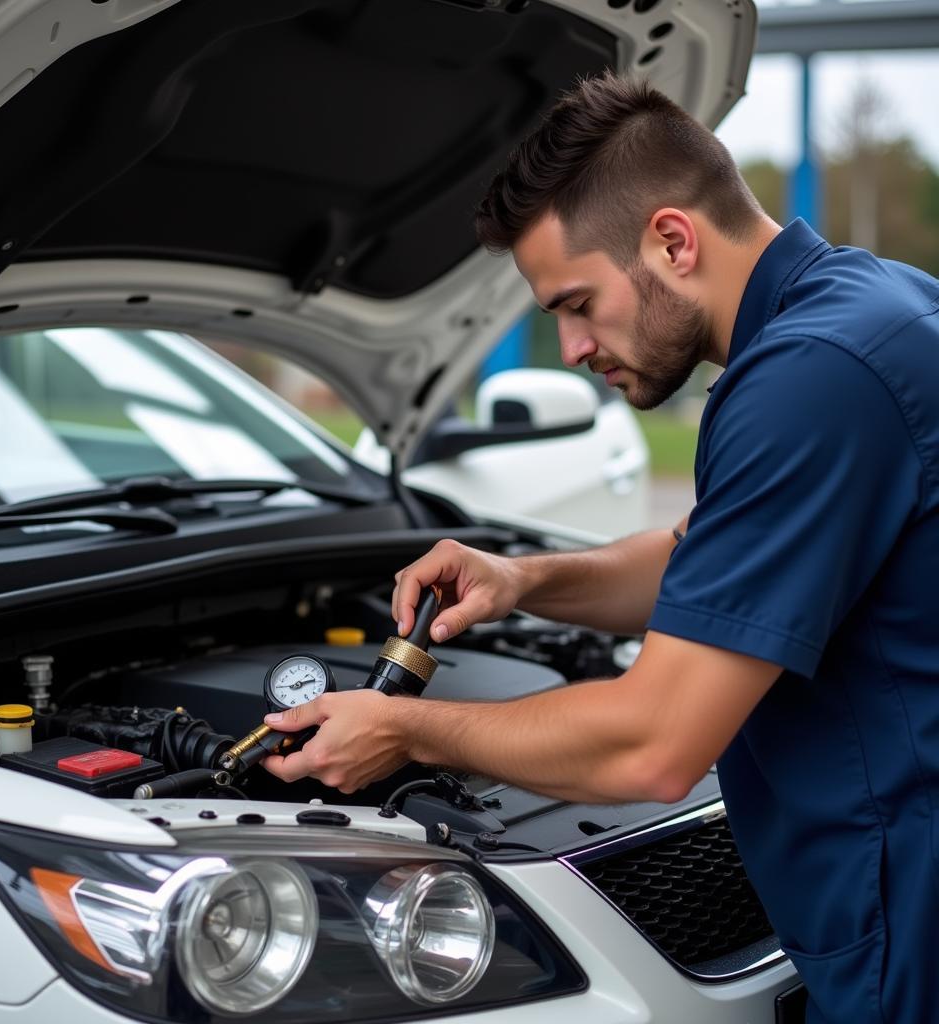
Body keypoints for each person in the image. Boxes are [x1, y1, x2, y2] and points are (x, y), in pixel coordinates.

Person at [262, 74, 939, 1023]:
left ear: (671, 239)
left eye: (577, 303)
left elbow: (653, 747)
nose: (574, 347)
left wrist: (403, 731)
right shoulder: (865, 307)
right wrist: (520, 580)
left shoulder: (811, 379)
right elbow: (702, 562)